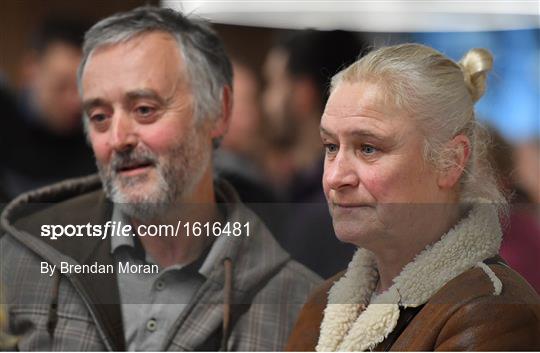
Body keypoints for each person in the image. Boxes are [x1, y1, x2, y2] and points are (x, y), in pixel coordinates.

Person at [0, 7, 320, 351]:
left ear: (217, 112)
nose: (118, 138)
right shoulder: (27, 258)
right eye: (99, 117)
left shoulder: (300, 306)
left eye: (144, 110)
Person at [286, 43, 540, 351]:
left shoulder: (492, 312)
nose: (335, 177)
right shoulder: (323, 304)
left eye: (368, 148)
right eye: (330, 146)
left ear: (451, 162)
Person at [262, 30, 366, 278]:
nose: (265, 100)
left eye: (273, 84)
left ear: (302, 94)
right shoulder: (297, 191)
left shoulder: (328, 212)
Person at [0, 18, 95, 199]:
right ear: (32, 68)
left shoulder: (98, 144)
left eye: (84, 89)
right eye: (61, 86)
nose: (75, 102)